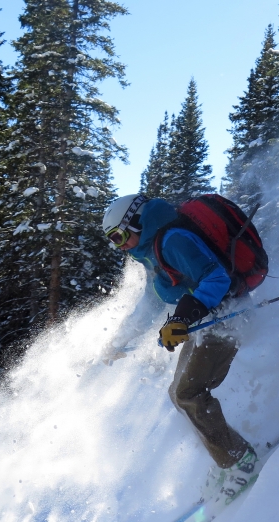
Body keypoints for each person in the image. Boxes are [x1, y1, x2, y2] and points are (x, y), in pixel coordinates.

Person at [102, 193, 258, 492]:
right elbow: (149, 304)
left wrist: (182, 319)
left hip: (229, 317)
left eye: (120, 236)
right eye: (113, 241)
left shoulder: (173, 240)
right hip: (208, 322)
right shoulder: (152, 254)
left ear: (137, 221)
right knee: (178, 393)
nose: (120, 246)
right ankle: (228, 457)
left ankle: (239, 462)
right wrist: (118, 341)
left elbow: (216, 278)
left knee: (189, 392)